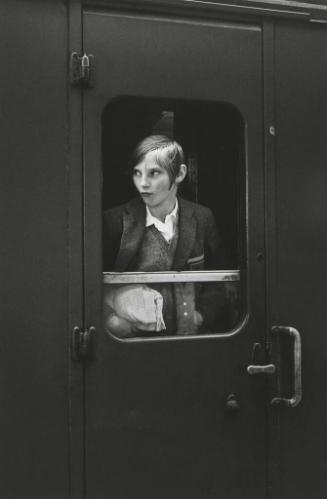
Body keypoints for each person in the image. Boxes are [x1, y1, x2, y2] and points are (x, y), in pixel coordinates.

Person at [103, 135, 225, 337]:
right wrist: (111, 321)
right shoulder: (113, 221)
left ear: (179, 173)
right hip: (131, 344)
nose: (143, 183)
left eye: (154, 173)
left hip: (190, 339)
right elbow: (92, 287)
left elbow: (221, 281)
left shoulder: (203, 218)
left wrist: (201, 316)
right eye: (137, 173)